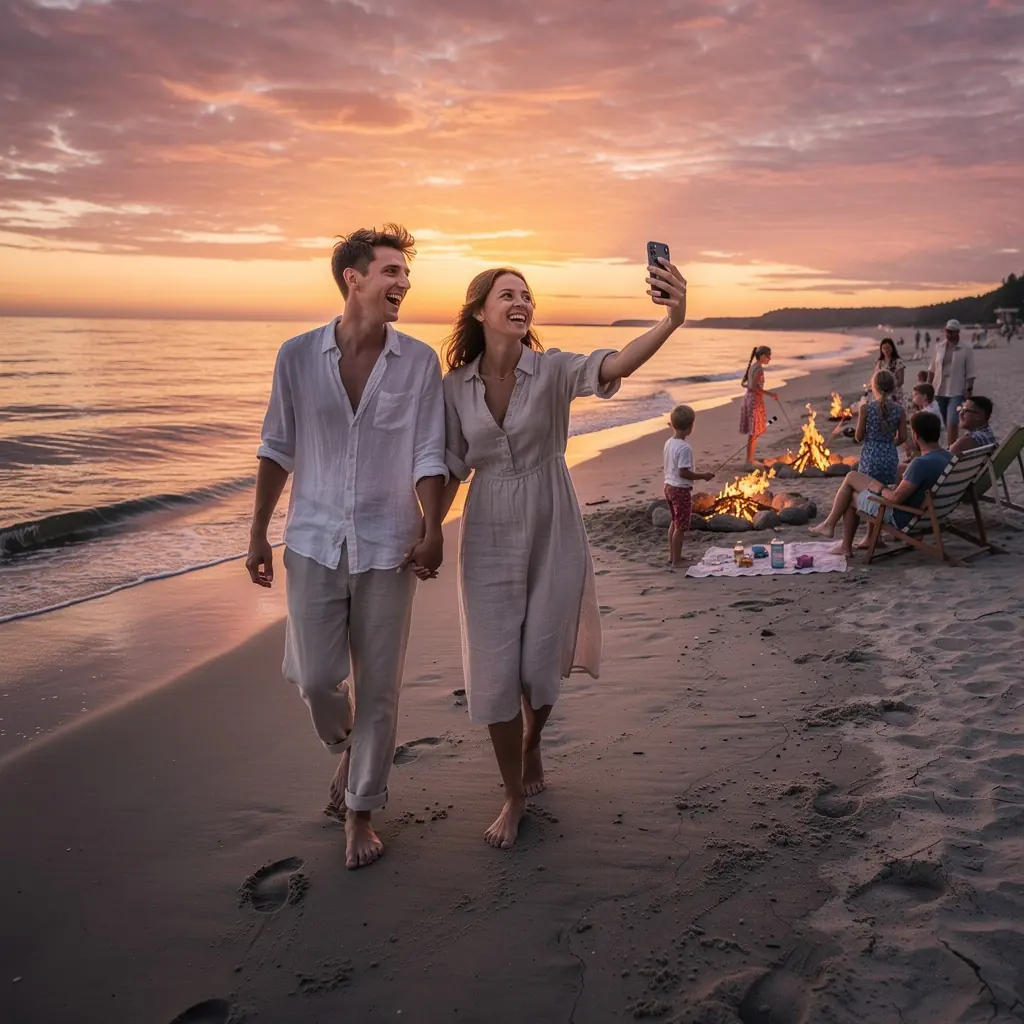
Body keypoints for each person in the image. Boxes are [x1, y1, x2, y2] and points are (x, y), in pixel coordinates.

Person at [439, 257, 689, 849]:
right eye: (508, 294)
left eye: (527, 294)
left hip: (553, 518)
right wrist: (425, 528)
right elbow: (450, 466)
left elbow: (616, 362)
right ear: (479, 310)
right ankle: (511, 795)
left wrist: (672, 320)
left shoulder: (552, 371)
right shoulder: (454, 387)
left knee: (539, 663)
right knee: (496, 669)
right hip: (488, 528)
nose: (521, 302)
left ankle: (532, 742)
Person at [246, 225, 448, 870]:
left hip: (389, 544)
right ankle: (349, 746)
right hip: (311, 541)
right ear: (352, 279)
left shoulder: (418, 361)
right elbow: (278, 446)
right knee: (314, 677)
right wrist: (256, 532)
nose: (403, 284)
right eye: (391, 272)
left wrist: (433, 523)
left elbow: (427, 452)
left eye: (406, 275)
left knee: (380, 687)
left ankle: (360, 810)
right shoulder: (296, 356)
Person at [811, 411, 952, 556]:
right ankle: (834, 527)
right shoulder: (949, 456)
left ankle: (843, 543)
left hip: (903, 517)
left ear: (916, 436)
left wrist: (880, 488)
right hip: (933, 514)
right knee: (854, 478)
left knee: (851, 492)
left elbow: (895, 499)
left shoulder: (920, 464)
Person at [663, 404, 715, 567]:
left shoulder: (669, 443)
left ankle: (673, 557)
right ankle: (677, 560)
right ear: (690, 427)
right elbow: (683, 473)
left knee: (674, 522)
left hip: (668, 487)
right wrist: (703, 476)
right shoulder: (684, 448)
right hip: (680, 490)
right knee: (681, 526)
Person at [928, 318, 976, 447]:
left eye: (952, 332)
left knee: (952, 421)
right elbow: (932, 369)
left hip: (956, 390)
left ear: (957, 332)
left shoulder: (966, 348)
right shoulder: (939, 347)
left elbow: (970, 371)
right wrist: (927, 387)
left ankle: (951, 451)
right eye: (947, 331)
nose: (949, 334)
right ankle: (950, 445)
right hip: (939, 389)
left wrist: (969, 389)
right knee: (943, 420)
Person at [856, 369, 906, 485]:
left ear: (874, 387)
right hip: (890, 458)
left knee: (866, 490)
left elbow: (859, 437)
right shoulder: (899, 410)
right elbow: (903, 437)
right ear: (893, 387)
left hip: (870, 458)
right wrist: (889, 443)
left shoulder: (866, 409)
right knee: (887, 489)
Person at [739, 346, 777, 467]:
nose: (769, 359)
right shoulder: (759, 369)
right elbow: (755, 387)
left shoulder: (753, 367)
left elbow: (746, 385)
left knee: (753, 431)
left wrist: (751, 389)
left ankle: (749, 459)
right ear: (762, 356)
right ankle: (749, 460)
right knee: (754, 431)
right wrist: (771, 394)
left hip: (749, 398)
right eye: (768, 356)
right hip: (754, 401)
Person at [875, 337, 906, 406]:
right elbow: (875, 377)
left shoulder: (898, 361)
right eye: (884, 348)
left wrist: (889, 388)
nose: (886, 350)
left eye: (888, 347)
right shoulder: (879, 362)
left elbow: (901, 381)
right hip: (882, 394)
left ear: (892, 348)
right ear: (881, 349)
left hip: (895, 393)